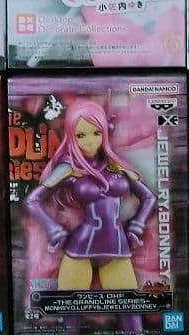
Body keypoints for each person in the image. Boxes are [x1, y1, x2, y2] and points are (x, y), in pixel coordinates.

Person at [24, 99, 156, 292]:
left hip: (117, 244)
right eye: (81, 135)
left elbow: (149, 197)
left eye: (97, 133)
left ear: (105, 132)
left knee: (128, 305)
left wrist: (138, 223)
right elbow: (32, 200)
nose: (90, 141)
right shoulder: (69, 168)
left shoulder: (116, 165)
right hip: (81, 245)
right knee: (71, 306)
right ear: (71, 136)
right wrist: (53, 228)